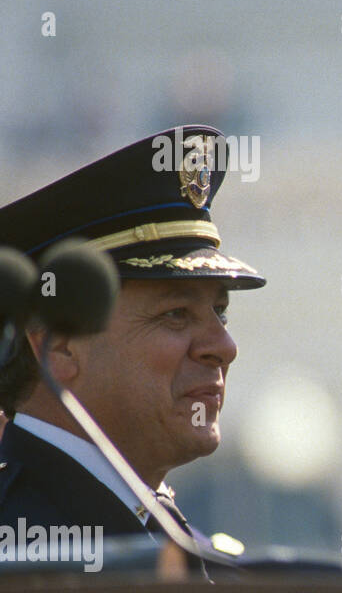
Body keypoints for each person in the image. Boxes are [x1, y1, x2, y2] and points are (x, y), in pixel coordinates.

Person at [0, 126, 264, 558]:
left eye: (220, 312)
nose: (224, 346)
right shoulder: (22, 551)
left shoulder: (168, 537)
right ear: (62, 345)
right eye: (176, 314)